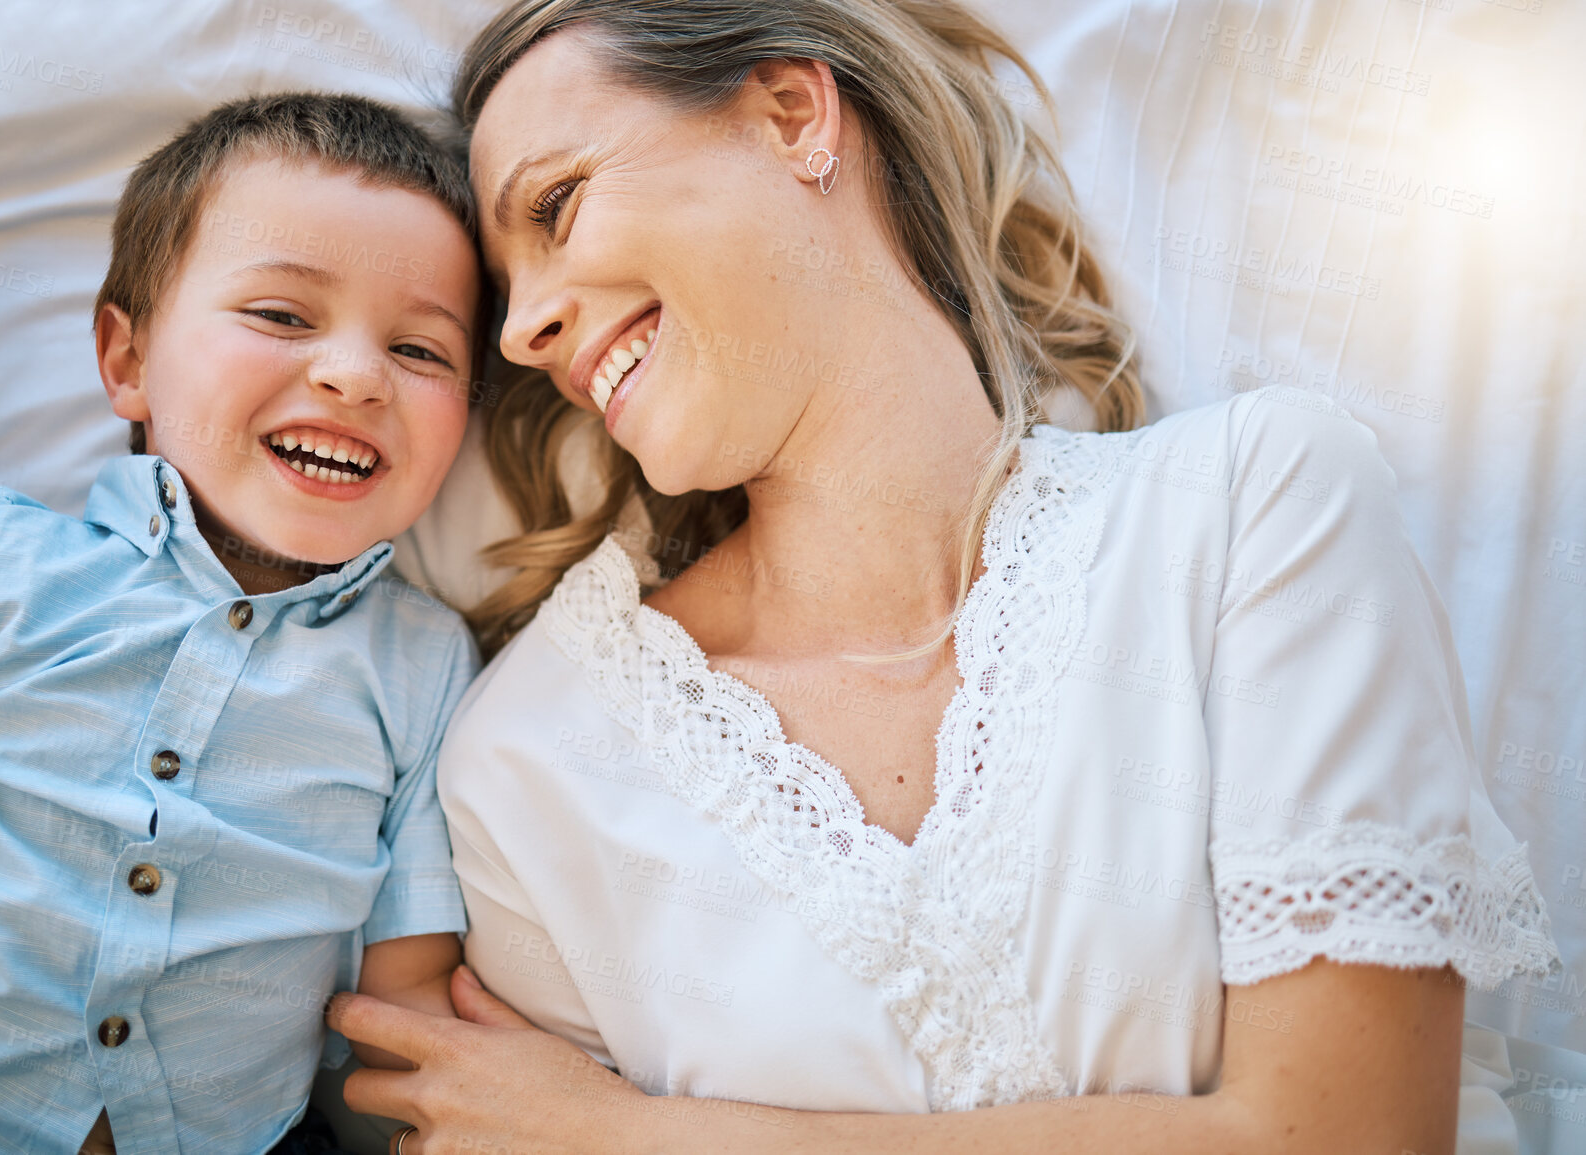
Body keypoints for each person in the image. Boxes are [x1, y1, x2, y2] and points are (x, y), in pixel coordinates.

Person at [323, 2, 1562, 1153]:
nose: (520, 331)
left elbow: (1347, 1134)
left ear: (793, 116)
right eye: (502, 293)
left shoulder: (1257, 507)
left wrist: (645, 1139)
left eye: (558, 206)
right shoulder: (532, 761)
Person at [0, 93, 483, 1154]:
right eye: (283, 316)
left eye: (422, 352)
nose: (354, 374)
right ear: (127, 361)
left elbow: (406, 982)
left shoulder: (422, 663)